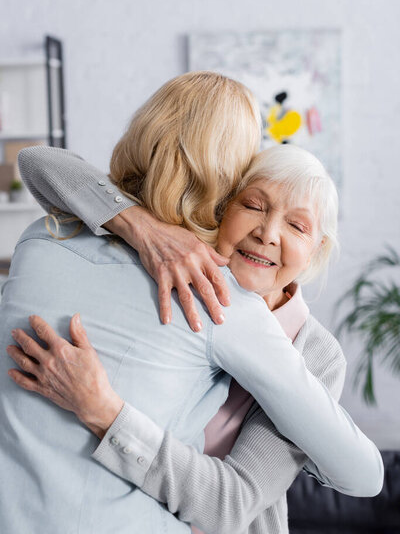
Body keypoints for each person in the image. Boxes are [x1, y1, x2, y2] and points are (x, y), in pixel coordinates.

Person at [2, 73, 383, 534]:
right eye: (255, 205)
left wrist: (106, 413)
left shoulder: (41, 236)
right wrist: (142, 227)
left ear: (317, 250)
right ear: (226, 197)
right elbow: (41, 161)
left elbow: (250, 499)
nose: (268, 233)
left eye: (298, 227)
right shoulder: (207, 291)